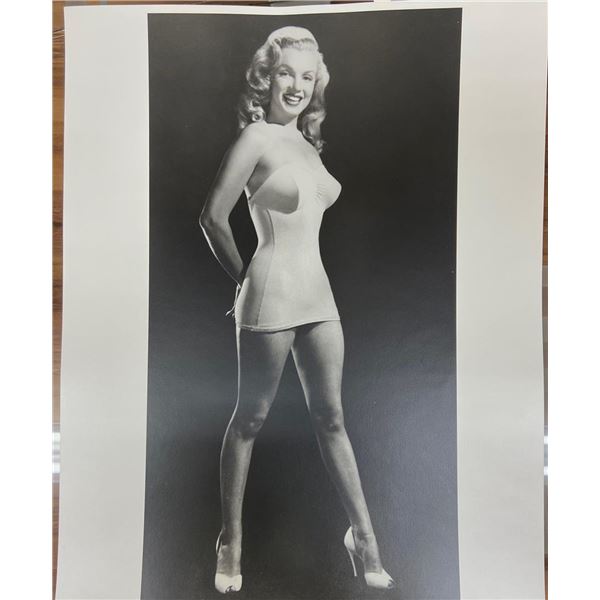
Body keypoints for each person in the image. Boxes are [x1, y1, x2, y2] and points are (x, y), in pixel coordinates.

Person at [200, 26, 394, 594]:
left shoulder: (308, 145)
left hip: (318, 295)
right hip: (270, 290)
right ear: (266, 76)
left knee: (332, 419)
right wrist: (243, 279)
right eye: (286, 72)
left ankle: (364, 539)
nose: (297, 86)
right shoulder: (255, 138)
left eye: (307, 77)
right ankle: (230, 541)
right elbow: (212, 216)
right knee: (250, 419)